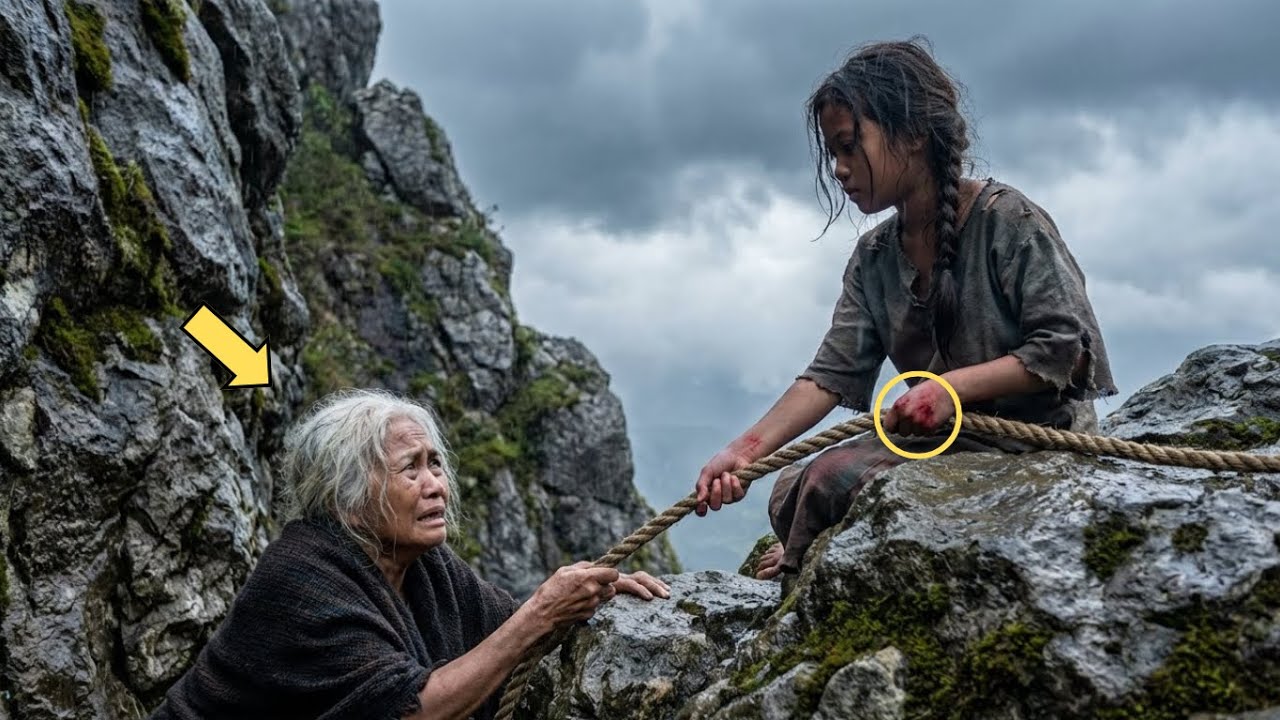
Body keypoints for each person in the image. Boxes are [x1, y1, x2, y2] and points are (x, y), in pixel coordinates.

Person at [694, 37, 1117, 581]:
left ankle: (807, 563)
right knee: (788, 488)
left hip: (1028, 440)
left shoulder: (1008, 222)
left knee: (828, 480)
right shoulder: (874, 258)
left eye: (850, 146)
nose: (841, 169)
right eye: (834, 154)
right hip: (942, 443)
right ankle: (812, 544)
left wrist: (950, 390)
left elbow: (1069, 353)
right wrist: (744, 452)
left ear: (914, 134)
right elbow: (829, 375)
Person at [151, 388, 670, 720]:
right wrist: (541, 613)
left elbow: (505, 631)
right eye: (411, 469)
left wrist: (584, 601)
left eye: (436, 464)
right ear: (346, 499)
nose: (435, 486)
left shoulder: (423, 563)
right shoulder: (299, 580)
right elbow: (409, 712)